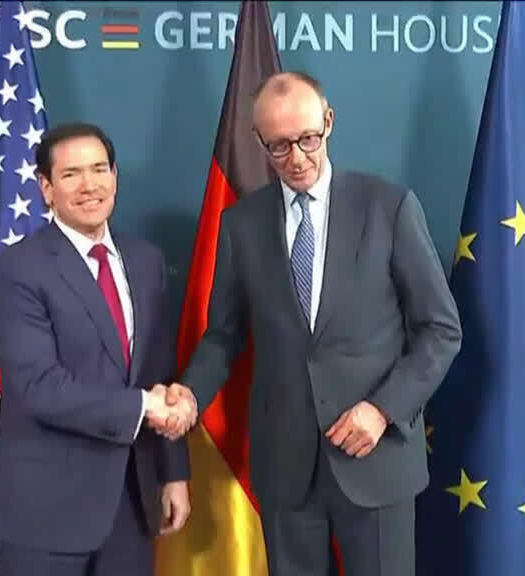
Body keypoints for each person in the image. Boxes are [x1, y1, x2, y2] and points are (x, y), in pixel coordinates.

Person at [162, 71, 463, 576]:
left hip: (376, 455)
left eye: (308, 139)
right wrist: (190, 396)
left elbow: (441, 329)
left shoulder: (387, 206)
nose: (297, 158)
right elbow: (224, 335)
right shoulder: (242, 224)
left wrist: (383, 409)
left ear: (329, 122)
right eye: (279, 146)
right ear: (258, 141)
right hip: (286, 466)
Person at [0, 122, 198, 576]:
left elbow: (159, 372)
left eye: (100, 169)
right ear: (46, 188)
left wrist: (173, 472)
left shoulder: (146, 261)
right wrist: (146, 406)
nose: (89, 185)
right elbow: (39, 387)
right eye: (71, 174)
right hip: (43, 514)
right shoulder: (17, 270)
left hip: (131, 505)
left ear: (115, 177)